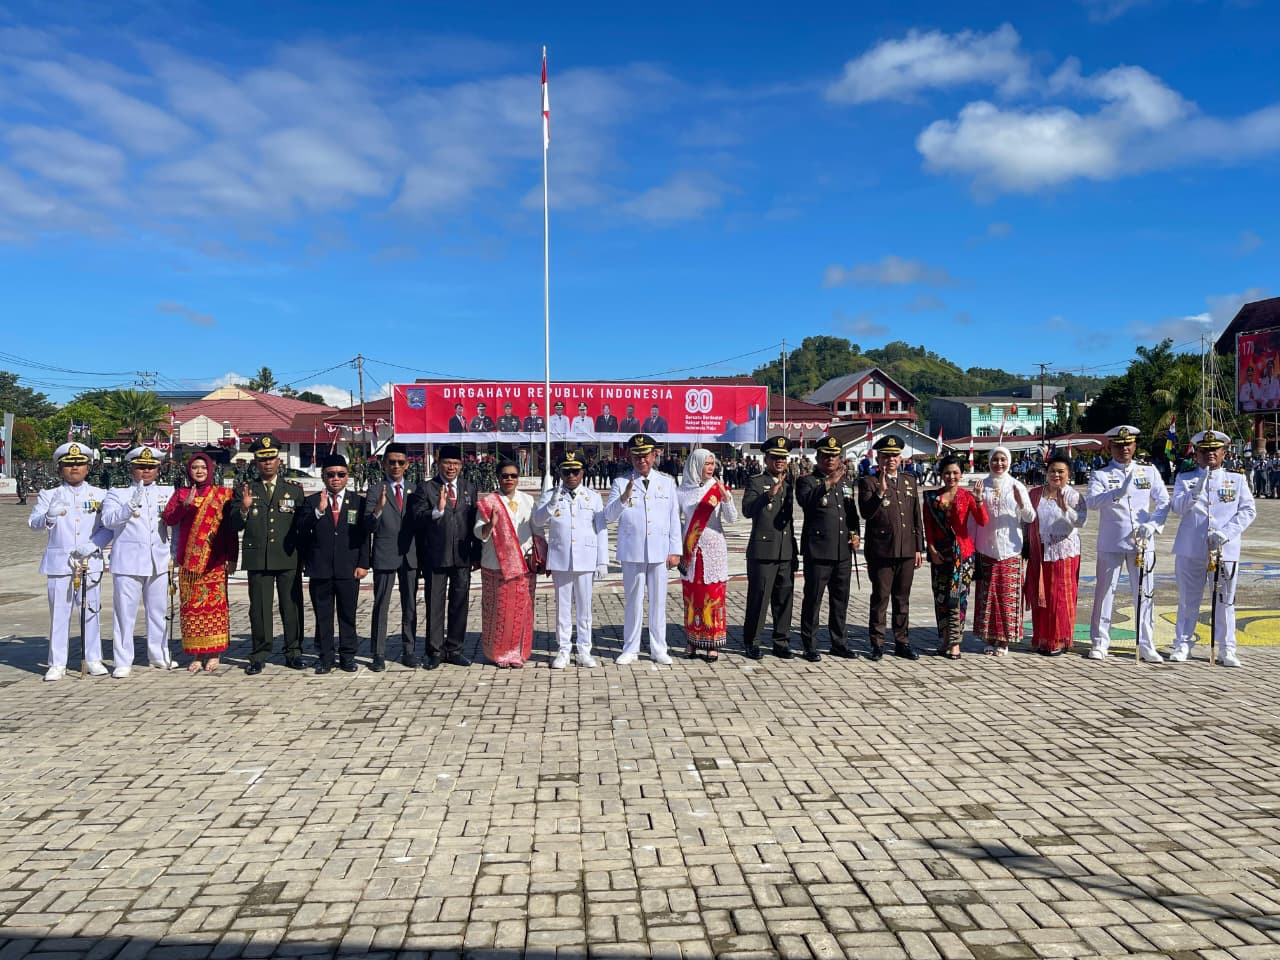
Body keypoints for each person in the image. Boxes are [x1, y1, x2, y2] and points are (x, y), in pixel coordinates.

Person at [1169, 430, 1257, 666]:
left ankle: (1227, 648)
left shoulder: (1236, 479)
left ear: (1223, 453)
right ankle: (1182, 644)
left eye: (1214, 450)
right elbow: (1177, 508)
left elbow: (1248, 510)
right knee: (1188, 599)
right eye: (1204, 450)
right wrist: (1195, 490)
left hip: (1224, 550)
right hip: (1190, 548)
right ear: (1196, 454)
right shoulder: (1185, 478)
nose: (1210, 453)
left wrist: (1226, 533)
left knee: (1225, 600)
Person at [1086, 425, 1171, 663]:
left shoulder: (1148, 471)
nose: (1124, 449)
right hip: (1112, 540)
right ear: (1110, 447)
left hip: (1142, 541)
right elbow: (1091, 502)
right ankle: (1100, 642)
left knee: (1144, 593)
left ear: (1134, 446)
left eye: (1128, 444)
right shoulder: (1101, 474)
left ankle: (1146, 643)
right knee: (1105, 592)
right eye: (1119, 445)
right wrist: (1116, 493)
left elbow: (1164, 501)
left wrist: (1153, 525)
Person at [28, 442, 111, 681]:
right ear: (60, 468)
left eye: (79, 463)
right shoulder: (49, 495)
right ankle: (57, 663)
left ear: (88, 467)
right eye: (69, 464)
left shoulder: (100, 495)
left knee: (91, 611)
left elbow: (108, 526)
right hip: (59, 563)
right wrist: (49, 516)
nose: (74, 468)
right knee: (59, 614)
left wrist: (94, 544)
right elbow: (33, 524)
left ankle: (93, 658)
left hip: (88, 561)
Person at [226, 435, 306, 675]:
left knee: (291, 607)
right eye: (262, 459)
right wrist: (244, 508)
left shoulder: (293, 490)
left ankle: (294, 652)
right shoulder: (245, 490)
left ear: (279, 460)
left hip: (287, 556)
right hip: (258, 558)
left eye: (271, 458)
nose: (267, 463)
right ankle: (259, 654)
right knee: (259, 609)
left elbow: (302, 525)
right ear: (256, 462)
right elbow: (233, 524)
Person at [604, 434, 681, 665]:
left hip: (659, 550)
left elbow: (673, 518)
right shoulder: (620, 482)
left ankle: (659, 648)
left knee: (658, 602)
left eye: (645, 455)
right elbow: (608, 516)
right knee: (633, 601)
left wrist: (675, 550)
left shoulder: (667, 482)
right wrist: (624, 497)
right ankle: (630, 648)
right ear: (630, 457)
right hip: (632, 551)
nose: (641, 460)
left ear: (654, 455)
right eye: (636, 456)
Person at [100, 446, 176, 676]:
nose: (146, 471)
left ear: (158, 469)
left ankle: (158, 654)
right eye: (141, 467)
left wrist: (174, 553)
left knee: (158, 611)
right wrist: (127, 508)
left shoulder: (167, 492)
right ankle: (123, 660)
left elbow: (176, 526)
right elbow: (108, 521)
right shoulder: (117, 493)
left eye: (151, 467)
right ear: (132, 468)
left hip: (157, 560)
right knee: (125, 614)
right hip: (128, 561)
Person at [162, 452, 238, 672]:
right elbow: (168, 519)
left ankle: (214, 652)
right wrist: (184, 506)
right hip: (189, 562)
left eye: (203, 467)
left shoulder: (223, 495)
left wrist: (232, 557)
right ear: (189, 470)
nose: (199, 471)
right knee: (191, 609)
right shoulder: (181, 493)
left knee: (214, 609)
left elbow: (230, 529)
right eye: (195, 467)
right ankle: (197, 653)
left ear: (210, 470)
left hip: (215, 560)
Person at [533, 452, 609, 668]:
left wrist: (602, 560)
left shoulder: (593, 497)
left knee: (585, 608)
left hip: (586, 558)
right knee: (562, 608)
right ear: (560, 473)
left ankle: (585, 650)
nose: (571, 476)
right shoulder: (551, 495)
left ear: (583, 472)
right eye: (566, 471)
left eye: (575, 471)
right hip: (561, 559)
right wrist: (551, 504)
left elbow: (601, 529)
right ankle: (563, 650)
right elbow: (537, 521)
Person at [296, 454, 369, 674]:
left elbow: (364, 535)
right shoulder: (311, 501)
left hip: (349, 568)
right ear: (323, 476)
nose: (335, 479)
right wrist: (318, 511)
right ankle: (325, 657)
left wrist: (363, 563)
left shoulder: (357, 502)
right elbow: (300, 529)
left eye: (340, 474)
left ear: (347, 476)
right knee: (323, 616)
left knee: (348, 614)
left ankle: (348, 655)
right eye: (330, 474)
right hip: (321, 568)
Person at [858, 435, 924, 661]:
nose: (891, 460)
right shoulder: (869, 482)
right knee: (880, 598)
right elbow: (866, 513)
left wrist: (919, 548)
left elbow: (916, 517)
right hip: (882, 552)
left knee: (902, 599)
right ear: (878, 458)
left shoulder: (909, 481)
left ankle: (901, 642)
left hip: (906, 550)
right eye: (886, 456)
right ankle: (877, 644)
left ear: (901, 457)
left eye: (894, 456)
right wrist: (879, 493)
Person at [795, 436, 860, 662]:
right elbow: (806, 502)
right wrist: (828, 482)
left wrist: (855, 533)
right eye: (825, 455)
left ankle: (839, 643)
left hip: (842, 551)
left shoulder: (846, 482)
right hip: (819, 551)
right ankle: (809, 645)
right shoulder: (807, 481)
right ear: (818, 457)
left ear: (839, 458)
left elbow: (851, 513)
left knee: (840, 600)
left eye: (834, 456)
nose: (830, 459)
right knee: (813, 599)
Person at [414, 444, 478, 668]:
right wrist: (437, 511)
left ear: (461, 465)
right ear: (438, 463)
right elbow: (416, 518)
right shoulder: (426, 488)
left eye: (456, 463)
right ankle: (435, 650)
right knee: (435, 603)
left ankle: (455, 648)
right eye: (447, 463)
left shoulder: (469, 487)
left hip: (462, 555)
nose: (451, 467)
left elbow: (474, 522)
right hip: (436, 555)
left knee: (460, 602)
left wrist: (476, 554)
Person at [970, 445, 1035, 656]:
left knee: (1007, 595)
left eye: (1003, 459)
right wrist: (978, 498)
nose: (999, 464)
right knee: (988, 594)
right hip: (986, 548)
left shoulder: (1017, 485)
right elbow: (974, 519)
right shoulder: (982, 485)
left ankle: (1004, 640)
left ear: (1009, 462)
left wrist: (1021, 502)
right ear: (989, 462)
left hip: (1010, 549)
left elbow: (1030, 517)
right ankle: (989, 638)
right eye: (995, 460)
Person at [923, 454, 988, 660]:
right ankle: (945, 638)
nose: (951, 476)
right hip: (940, 555)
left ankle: (955, 642)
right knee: (941, 597)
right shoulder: (931, 498)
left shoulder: (966, 496)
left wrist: (979, 499)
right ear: (941, 474)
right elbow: (928, 527)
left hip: (963, 554)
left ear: (961, 474)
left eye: (955, 473)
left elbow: (982, 521)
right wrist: (931, 550)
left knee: (957, 597)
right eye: (947, 473)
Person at [676, 449, 739, 662]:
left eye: (713, 463)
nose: (711, 467)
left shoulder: (717, 487)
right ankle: (692, 640)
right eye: (707, 463)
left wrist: (727, 498)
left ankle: (713, 642)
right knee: (692, 595)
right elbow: (675, 522)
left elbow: (732, 519)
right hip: (691, 551)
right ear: (696, 465)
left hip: (714, 550)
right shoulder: (681, 491)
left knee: (713, 595)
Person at [1024, 451, 1088, 655]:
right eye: (1052, 471)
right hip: (1039, 550)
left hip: (1063, 553)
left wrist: (1065, 508)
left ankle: (1059, 639)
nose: (1056, 475)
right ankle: (1043, 638)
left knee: (1060, 597)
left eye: (1061, 471)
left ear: (1069, 474)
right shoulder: (1035, 494)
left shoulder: (1073, 495)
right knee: (1041, 596)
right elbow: (1026, 519)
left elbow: (1081, 521)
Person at [474, 460, 537, 668]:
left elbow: (537, 530)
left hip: (523, 564)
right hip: (496, 564)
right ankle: (497, 654)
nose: (509, 479)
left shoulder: (528, 500)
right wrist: (490, 524)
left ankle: (519, 652)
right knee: (499, 612)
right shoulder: (489, 502)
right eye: (504, 476)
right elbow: (478, 532)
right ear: (498, 478)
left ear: (518, 478)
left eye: (513, 476)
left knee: (521, 611)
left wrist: (539, 554)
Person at [741, 436, 798, 660]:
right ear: (766, 459)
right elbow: (747, 510)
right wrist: (768, 495)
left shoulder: (789, 484)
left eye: (783, 458)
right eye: (775, 457)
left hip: (785, 550)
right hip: (763, 551)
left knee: (784, 599)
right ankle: (752, 641)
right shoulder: (756, 481)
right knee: (759, 598)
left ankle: (781, 642)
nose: (779, 461)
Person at [364, 443, 420, 670]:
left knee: (410, 605)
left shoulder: (415, 489)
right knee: (381, 605)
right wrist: (378, 509)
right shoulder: (375, 490)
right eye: (391, 462)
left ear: (407, 465)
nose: (396, 466)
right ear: (384, 464)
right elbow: (367, 524)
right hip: (385, 554)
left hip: (410, 555)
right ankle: (378, 653)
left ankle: (409, 650)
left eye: (400, 462)